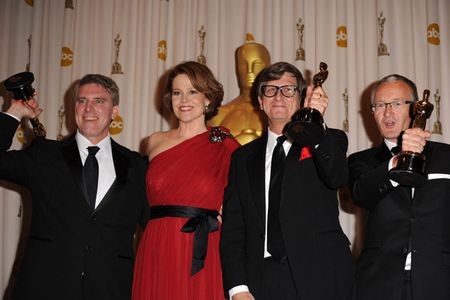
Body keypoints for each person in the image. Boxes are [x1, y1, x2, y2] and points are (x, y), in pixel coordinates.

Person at [0, 74, 149, 299]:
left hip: (111, 289)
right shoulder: (44, 155)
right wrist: (15, 113)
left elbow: (156, 227)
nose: (89, 108)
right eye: (82, 101)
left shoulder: (138, 166)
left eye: (99, 101)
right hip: (44, 288)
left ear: (114, 112)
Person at [220, 62, 353, 300]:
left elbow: (337, 176)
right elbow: (234, 227)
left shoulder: (328, 139)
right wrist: (238, 288)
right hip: (261, 279)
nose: (279, 96)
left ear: (302, 98)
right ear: (261, 101)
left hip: (321, 274)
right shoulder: (242, 158)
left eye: (288, 89)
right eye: (270, 89)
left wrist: (315, 123)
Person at [132, 61, 239, 300]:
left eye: (193, 92)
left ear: (208, 99)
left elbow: (246, 189)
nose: (184, 100)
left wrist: (230, 212)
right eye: (177, 93)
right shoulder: (154, 142)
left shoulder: (224, 142)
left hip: (203, 245)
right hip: (157, 244)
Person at [348, 74, 450, 300]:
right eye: (380, 105)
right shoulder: (361, 161)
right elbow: (360, 195)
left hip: (439, 281)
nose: (387, 112)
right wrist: (398, 161)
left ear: (415, 109)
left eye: (396, 104)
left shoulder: (446, 157)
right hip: (379, 284)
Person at [207, 41, 270, 145]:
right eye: (243, 64)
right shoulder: (219, 115)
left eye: (257, 63)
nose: (250, 70)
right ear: (237, 68)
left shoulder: (279, 113)